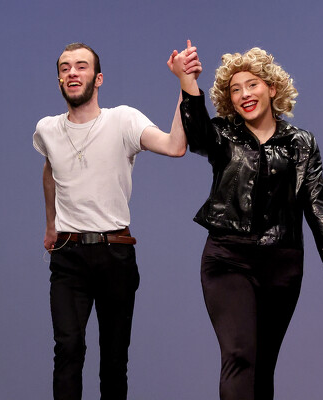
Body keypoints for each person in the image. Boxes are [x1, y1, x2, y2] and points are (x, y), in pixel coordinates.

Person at [168, 43, 323, 400]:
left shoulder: (301, 143)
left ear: (271, 88)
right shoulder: (222, 134)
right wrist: (188, 81)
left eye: (252, 85)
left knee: (262, 366)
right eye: (235, 90)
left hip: (281, 263)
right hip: (227, 258)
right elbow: (197, 135)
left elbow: (317, 203)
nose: (244, 95)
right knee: (239, 355)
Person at [33, 42, 199, 400]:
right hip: (68, 256)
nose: (72, 72)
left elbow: (175, 146)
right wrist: (50, 225)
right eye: (64, 68)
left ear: (98, 78)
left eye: (81, 66)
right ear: (59, 79)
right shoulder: (47, 129)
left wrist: (184, 82)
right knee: (67, 350)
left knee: (113, 360)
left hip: (115, 253)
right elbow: (50, 171)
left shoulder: (123, 120)